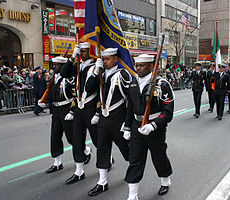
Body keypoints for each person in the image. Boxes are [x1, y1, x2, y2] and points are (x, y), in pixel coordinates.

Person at [124, 54, 174, 200]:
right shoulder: (133, 84)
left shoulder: (162, 84)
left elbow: (168, 111)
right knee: (135, 159)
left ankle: (165, 180)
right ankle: (132, 195)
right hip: (136, 126)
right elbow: (129, 108)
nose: (138, 68)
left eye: (142, 65)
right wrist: (127, 127)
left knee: (158, 156)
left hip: (154, 128)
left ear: (151, 66)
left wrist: (154, 125)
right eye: (137, 65)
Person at [88, 48, 131, 196]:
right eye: (103, 59)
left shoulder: (123, 75)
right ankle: (102, 181)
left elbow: (130, 101)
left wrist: (128, 124)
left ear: (116, 59)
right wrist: (95, 71)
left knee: (127, 149)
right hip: (103, 120)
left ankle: (133, 170)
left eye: (108, 59)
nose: (105, 61)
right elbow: (88, 89)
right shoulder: (100, 74)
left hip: (118, 119)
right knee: (102, 149)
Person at [60, 42, 98, 184]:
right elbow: (63, 73)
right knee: (77, 140)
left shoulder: (95, 66)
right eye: (80, 51)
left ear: (91, 51)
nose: (81, 54)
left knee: (97, 139)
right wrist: (72, 57)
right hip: (78, 108)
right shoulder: (77, 65)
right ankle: (79, 171)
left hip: (91, 107)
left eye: (83, 51)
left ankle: (107, 158)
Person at [41, 56, 75, 174]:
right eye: (53, 65)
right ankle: (57, 162)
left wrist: (72, 111)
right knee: (55, 136)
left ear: (62, 66)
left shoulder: (69, 79)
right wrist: (44, 102)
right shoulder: (53, 78)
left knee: (71, 137)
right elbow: (51, 92)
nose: (54, 67)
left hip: (66, 108)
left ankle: (85, 151)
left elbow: (74, 96)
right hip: (56, 110)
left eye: (57, 65)